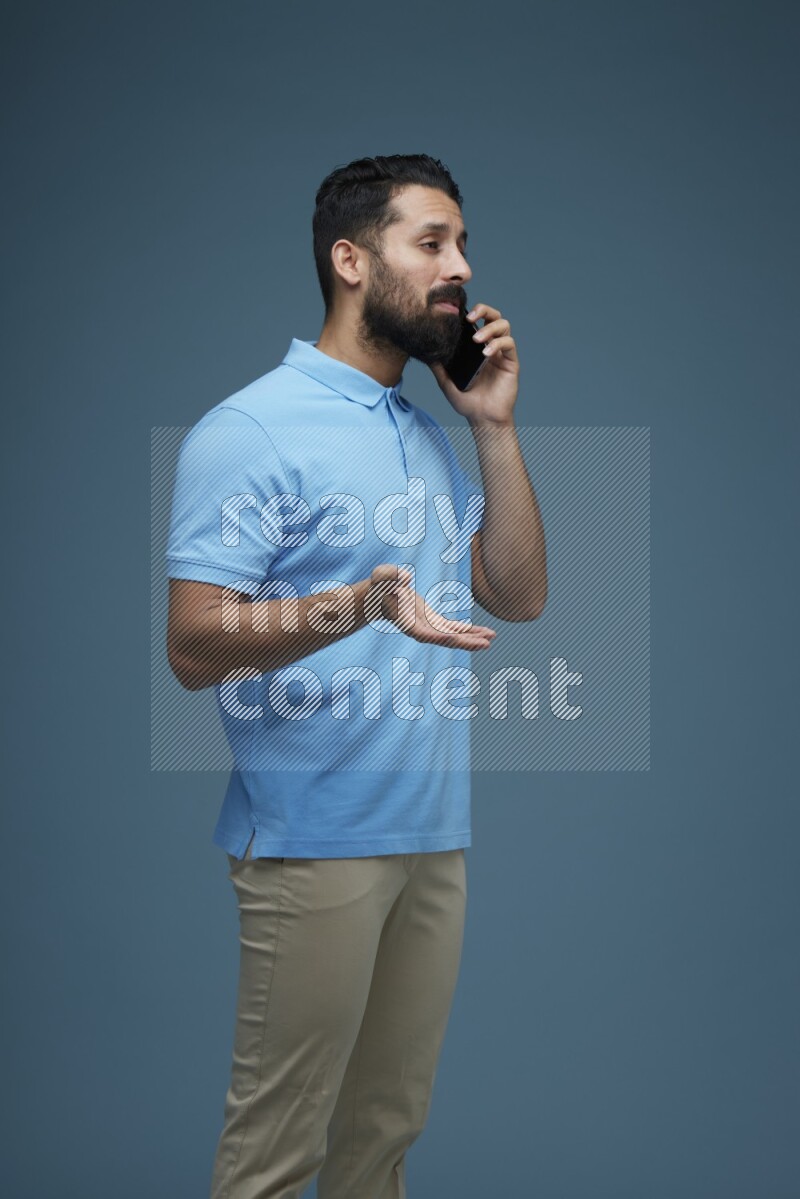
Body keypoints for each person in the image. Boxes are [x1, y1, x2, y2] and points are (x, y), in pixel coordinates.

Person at [165, 153, 547, 1199]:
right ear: (348, 259)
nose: (459, 267)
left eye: (461, 242)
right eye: (432, 242)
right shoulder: (249, 430)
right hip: (310, 838)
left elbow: (515, 596)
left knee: (382, 1135)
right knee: (276, 1154)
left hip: (431, 833)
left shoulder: (425, 433)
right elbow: (194, 646)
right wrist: (359, 603)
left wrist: (494, 428)